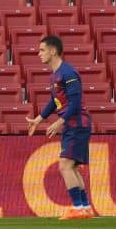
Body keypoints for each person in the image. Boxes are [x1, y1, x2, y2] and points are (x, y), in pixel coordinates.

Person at [29, 35, 96, 219]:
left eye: (42, 50)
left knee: (65, 165)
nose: (39, 54)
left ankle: (77, 207)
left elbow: (75, 103)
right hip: (72, 125)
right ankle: (85, 207)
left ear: (53, 51)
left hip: (77, 124)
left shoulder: (68, 73)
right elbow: (55, 100)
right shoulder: (55, 75)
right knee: (72, 166)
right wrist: (39, 119)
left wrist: (60, 122)